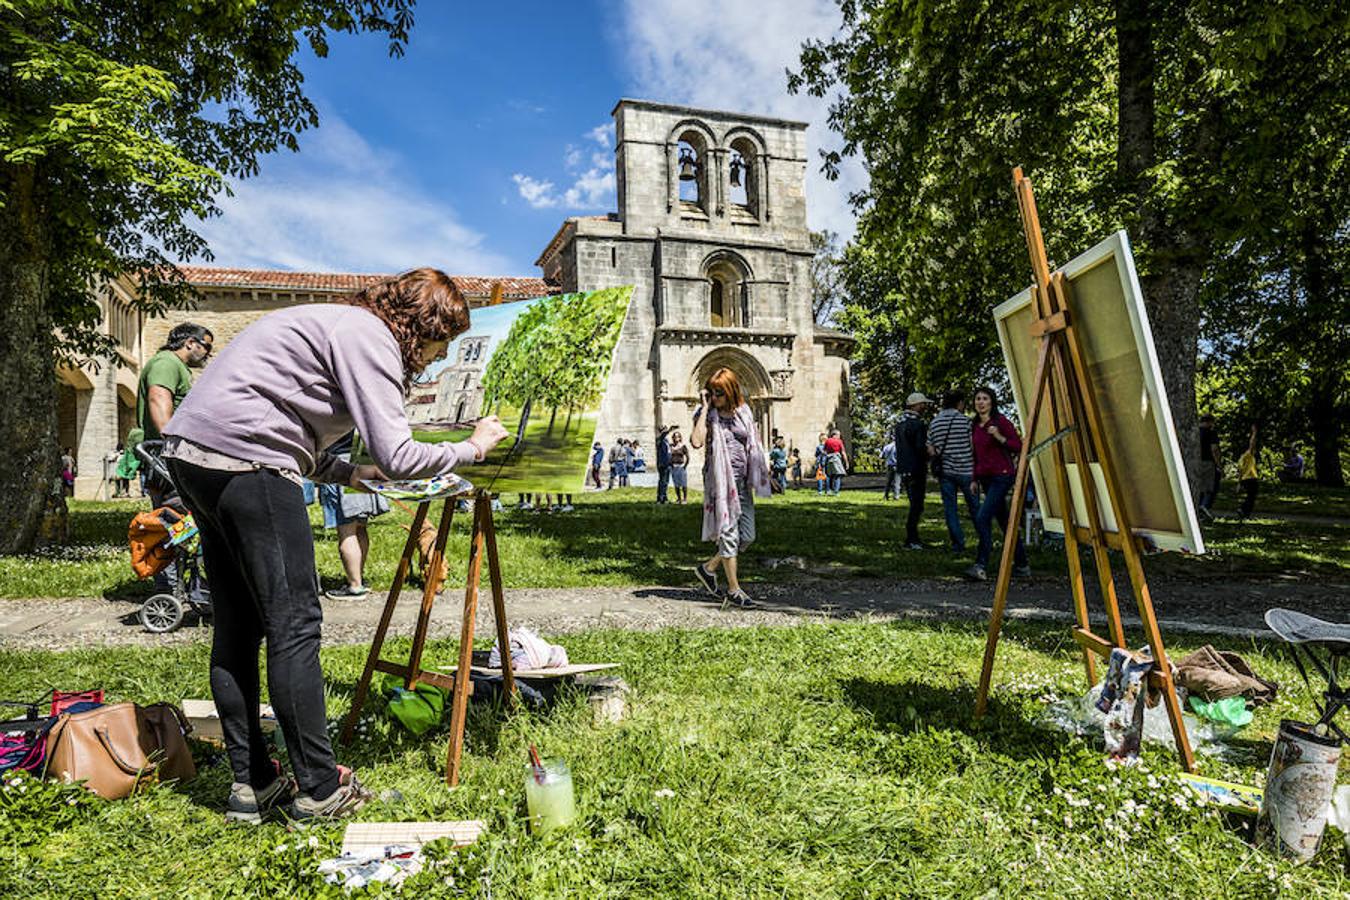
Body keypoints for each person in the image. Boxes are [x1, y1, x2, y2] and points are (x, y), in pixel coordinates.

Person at [162, 268, 509, 824]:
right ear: (423, 325)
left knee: (239, 625)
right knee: (294, 624)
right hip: (250, 462)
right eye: (441, 343)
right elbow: (398, 454)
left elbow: (289, 421)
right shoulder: (371, 337)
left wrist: (350, 474)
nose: (439, 359)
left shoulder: (335, 325)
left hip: (195, 456)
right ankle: (320, 789)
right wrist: (472, 448)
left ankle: (252, 783)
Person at [689, 367, 771, 608]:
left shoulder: (744, 412)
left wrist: (766, 474)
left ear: (731, 391)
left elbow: (754, 443)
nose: (715, 397)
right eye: (712, 392)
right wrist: (705, 407)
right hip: (720, 482)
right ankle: (734, 590)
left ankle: (708, 568)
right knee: (728, 533)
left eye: (720, 393)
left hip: (743, 481)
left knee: (747, 536)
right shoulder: (707, 414)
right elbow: (696, 441)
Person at [965, 386, 1029, 581]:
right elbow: (976, 454)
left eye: (985, 399)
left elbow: (1018, 446)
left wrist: (999, 436)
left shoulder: (1001, 422)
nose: (981, 402)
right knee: (1004, 522)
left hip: (1002, 476)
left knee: (983, 517)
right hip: (985, 477)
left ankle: (981, 565)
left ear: (992, 402)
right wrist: (974, 478)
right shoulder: (975, 425)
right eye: (978, 399)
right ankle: (1022, 565)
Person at [317, 432, 387, 600]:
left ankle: (355, 586)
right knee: (360, 526)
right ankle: (358, 577)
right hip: (362, 461)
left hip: (339, 466)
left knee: (347, 531)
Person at [926, 391, 979, 553]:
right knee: (975, 507)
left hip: (946, 472)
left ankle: (958, 544)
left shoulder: (935, 422)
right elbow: (974, 445)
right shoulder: (966, 422)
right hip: (967, 470)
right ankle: (984, 539)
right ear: (960, 403)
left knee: (950, 509)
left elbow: (930, 448)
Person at [893, 392, 932, 549]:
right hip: (916, 468)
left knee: (913, 503)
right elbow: (919, 447)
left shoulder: (899, 424)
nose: (925, 407)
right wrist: (929, 455)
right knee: (917, 505)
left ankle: (912, 537)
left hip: (904, 468)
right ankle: (912, 538)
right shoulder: (918, 425)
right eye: (923, 404)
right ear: (916, 405)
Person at [1196, 414, 1220, 522]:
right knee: (1209, 488)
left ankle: (1197, 511)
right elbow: (1214, 449)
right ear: (1210, 422)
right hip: (1207, 462)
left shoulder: (1194, 431)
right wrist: (1218, 464)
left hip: (1195, 461)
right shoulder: (1211, 433)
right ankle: (1204, 507)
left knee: (1199, 488)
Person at [1238, 424, 1260, 519]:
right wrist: (1254, 433)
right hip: (1251, 478)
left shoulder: (1241, 458)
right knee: (1251, 497)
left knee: (1250, 496)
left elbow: (1240, 471)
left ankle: (1244, 512)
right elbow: (1252, 444)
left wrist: (1239, 484)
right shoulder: (1248, 455)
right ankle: (1243, 511)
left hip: (1244, 479)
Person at [115, 430, 143, 497]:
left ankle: (122, 492)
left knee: (122, 481)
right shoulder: (128, 452)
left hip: (123, 471)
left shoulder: (127, 452)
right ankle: (124, 492)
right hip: (124, 471)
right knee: (124, 481)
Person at [823, 429, 848, 495]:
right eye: (839, 435)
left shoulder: (827, 441)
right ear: (835, 435)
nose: (840, 436)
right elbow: (843, 452)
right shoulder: (839, 441)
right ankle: (836, 491)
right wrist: (846, 462)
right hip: (836, 458)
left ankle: (828, 490)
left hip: (828, 458)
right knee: (838, 475)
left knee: (829, 475)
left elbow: (824, 451)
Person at [655, 425, 675, 504]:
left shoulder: (666, 441)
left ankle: (664, 497)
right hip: (662, 464)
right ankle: (660, 498)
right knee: (662, 481)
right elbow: (663, 436)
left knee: (666, 482)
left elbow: (668, 452)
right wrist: (669, 430)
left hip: (668, 463)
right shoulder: (659, 439)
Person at [669, 431, 690, 504]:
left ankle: (685, 499)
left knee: (683, 484)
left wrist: (685, 466)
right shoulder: (671, 446)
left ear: (680, 438)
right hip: (674, 467)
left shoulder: (683, 446)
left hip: (681, 466)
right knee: (676, 484)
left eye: (678, 436)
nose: (676, 438)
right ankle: (679, 499)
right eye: (675, 436)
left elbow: (687, 457)